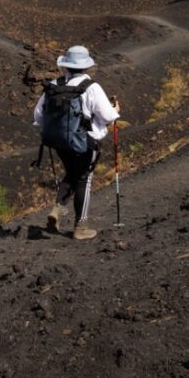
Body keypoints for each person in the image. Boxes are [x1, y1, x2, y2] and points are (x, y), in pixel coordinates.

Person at [33, 45, 120, 241]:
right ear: (86, 66)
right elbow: (108, 116)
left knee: (72, 174)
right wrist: (115, 109)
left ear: (66, 65)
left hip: (59, 142)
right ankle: (81, 227)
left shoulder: (54, 85)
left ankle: (56, 210)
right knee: (83, 180)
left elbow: (38, 116)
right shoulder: (91, 87)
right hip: (85, 142)